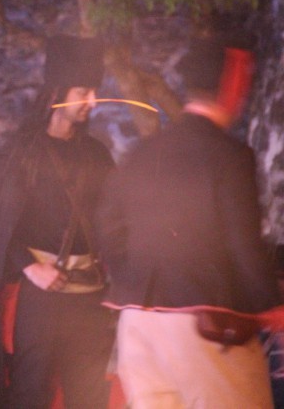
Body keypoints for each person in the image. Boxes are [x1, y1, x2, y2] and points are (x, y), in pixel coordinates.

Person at [95, 28, 281, 408]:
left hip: (136, 326)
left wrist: (132, 285)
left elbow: (107, 228)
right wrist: (272, 305)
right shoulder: (229, 156)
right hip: (203, 327)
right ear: (231, 83)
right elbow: (243, 244)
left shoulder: (144, 152)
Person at [0, 35, 116, 408]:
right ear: (57, 93)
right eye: (83, 91)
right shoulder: (18, 158)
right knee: (31, 391)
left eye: (94, 92)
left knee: (88, 396)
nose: (92, 102)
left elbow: (114, 220)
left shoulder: (97, 156)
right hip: (39, 300)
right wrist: (30, 266)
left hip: (90, 298)